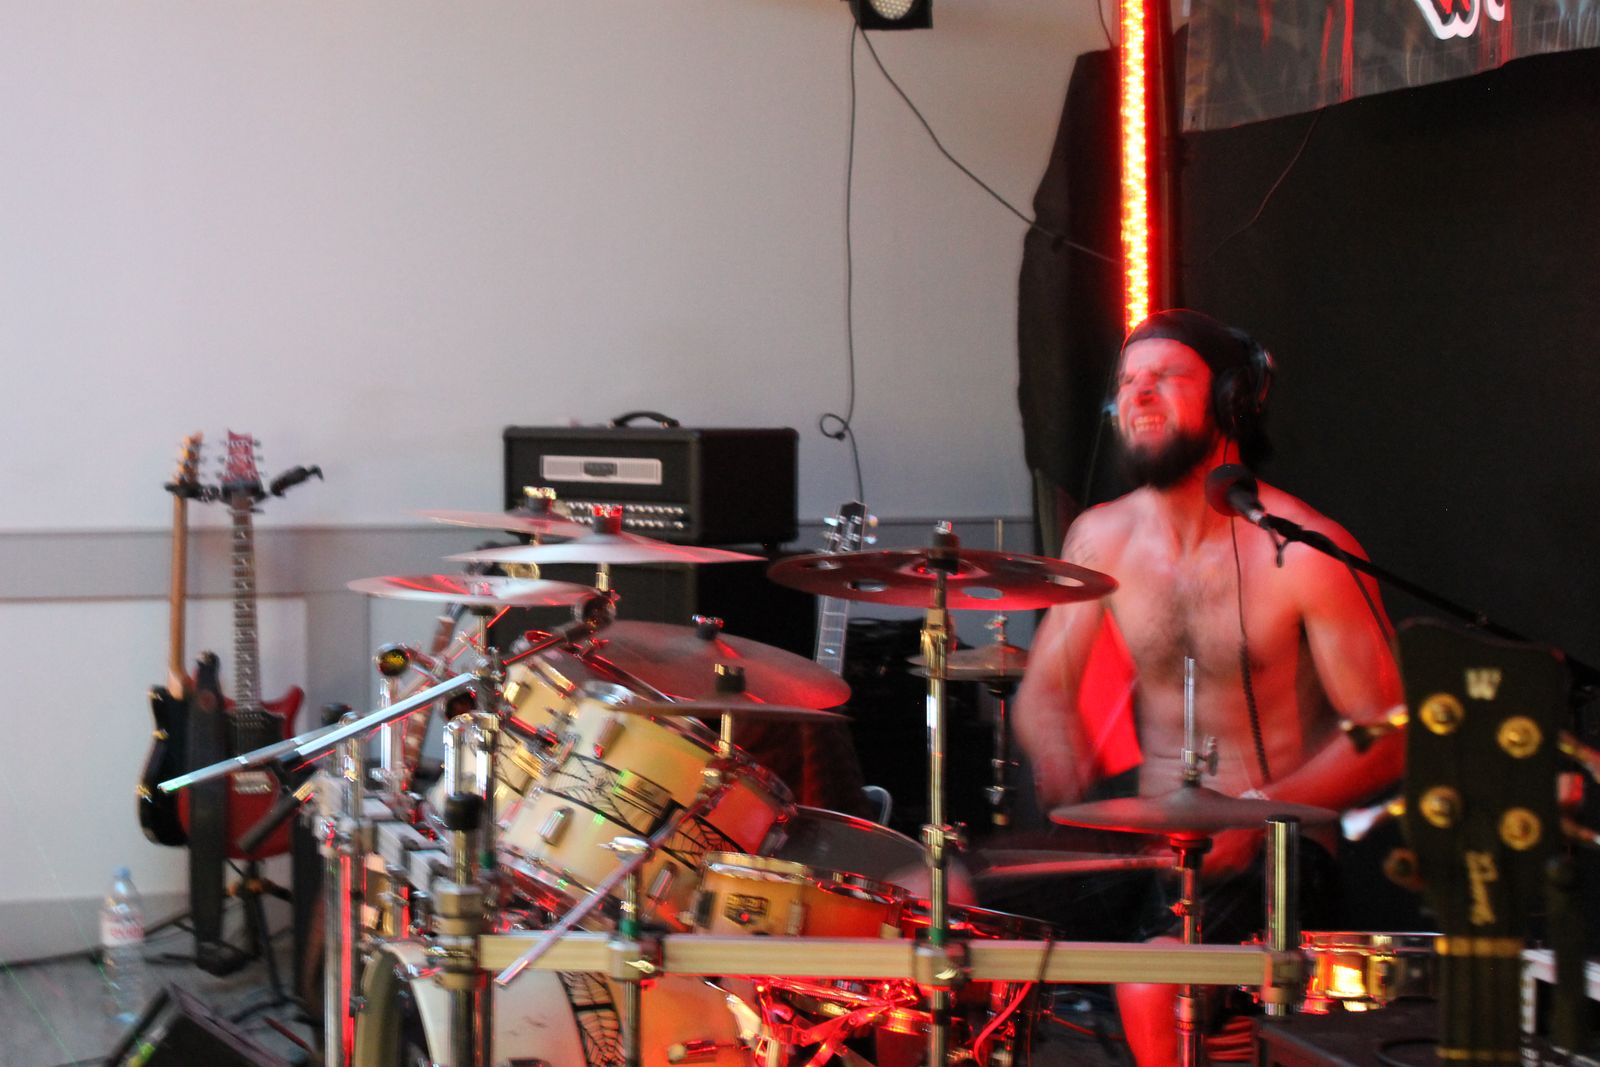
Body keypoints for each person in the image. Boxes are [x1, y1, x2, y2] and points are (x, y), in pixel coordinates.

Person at [1013, 309, 1405, 1065]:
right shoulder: (1101, 535)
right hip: (1141, 840)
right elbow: (1046, 689)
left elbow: (1387, 733)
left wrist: (1255, 812)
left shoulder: (1301, 550)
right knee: (935, 911)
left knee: (1153, 985)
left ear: (1232, 401)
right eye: (1129, 380)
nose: (1139, 393)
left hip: (1274, 852)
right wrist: (1059, 756)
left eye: (1167, 377)